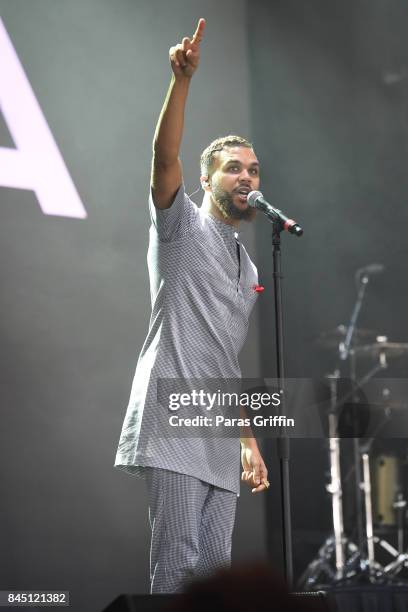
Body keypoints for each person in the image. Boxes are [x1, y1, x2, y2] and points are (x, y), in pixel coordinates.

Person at [114, 17, 269, 594]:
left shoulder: (248, 267)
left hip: (215, 428)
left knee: (213, 579)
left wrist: (248, 439)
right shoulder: (181, 224)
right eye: (234, 168)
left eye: (253, 169)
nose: (246, 177)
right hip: (174, 414)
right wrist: (181, 81)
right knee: (176, 568)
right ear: (207, 181)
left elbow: (225, 359)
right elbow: (163, 157)